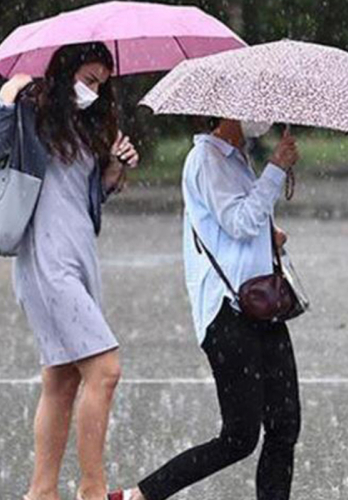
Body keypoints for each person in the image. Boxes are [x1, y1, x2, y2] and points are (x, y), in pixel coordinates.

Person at [0, 42, 139, 500]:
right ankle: (92, 489)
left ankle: (41, 493)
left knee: (62, 380)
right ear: (65, 72)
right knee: (105, 370)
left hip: (80, 254)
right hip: (46, 259)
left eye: (101, 84)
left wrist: (114, 168)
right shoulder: (32, 113)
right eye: (88, 79)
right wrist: (7, 97)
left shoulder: (85, 125)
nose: (94, 90)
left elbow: (88, 197)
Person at [109, 118, 301, 500]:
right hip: (227, 315)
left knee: (284, 424)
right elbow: (240, 222)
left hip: (262, 307)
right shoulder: (205, 159)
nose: (261, 116)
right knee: (239, 437)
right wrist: (277, 168)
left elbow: (240, 228)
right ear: (227, 111)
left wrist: (271, 236)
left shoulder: (236, 159)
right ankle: (139, 496)